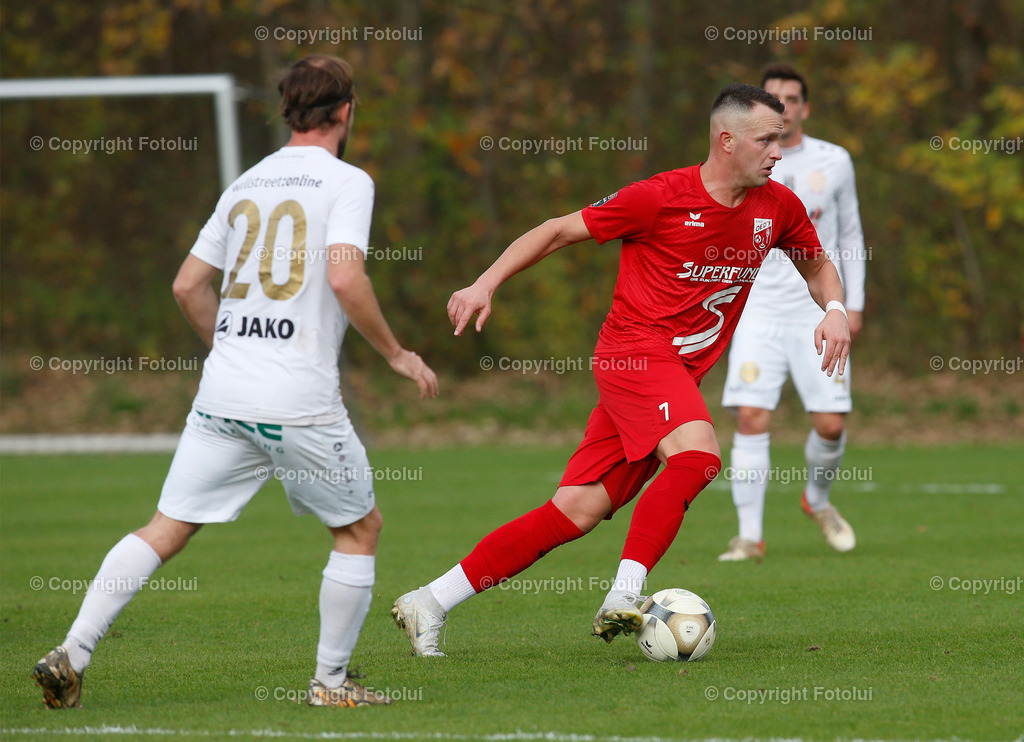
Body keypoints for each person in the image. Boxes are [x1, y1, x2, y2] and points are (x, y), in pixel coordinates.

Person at [32, 55, 438, 709]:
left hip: (222, 396)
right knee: (358, 531)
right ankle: (331, 687)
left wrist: (230, 346)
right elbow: (344, 276)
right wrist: (394, 353)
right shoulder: (347, 182)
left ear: (288, 111)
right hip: (298, 399)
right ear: (345, 111)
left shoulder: (246, 183)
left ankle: (72, 651)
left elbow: (187, 285)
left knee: (165, 527)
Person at [391, 83, 850, 657]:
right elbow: (559, 229)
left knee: (575, 512)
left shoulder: (777, 206)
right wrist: (486, 283)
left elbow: (818, 265)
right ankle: (624, 595)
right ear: (726, 141)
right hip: (635, 353)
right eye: (767, 140)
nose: (778, 152)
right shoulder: (658, 197)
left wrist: (832, 309)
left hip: (673, 375)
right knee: (699, 457)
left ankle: (429, 601)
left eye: (780, 140)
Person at [718, 64, 866, 562]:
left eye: (792, 98)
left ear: (805, 107)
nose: (784, 105)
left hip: (815, 311)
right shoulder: (746, 159)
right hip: (757, 309)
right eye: (773, 97)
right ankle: (749, 536)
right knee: (752, 415)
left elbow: (849, 236)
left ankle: (817, 500)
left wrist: (849, 304)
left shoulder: (835, 161)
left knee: (829, 424)